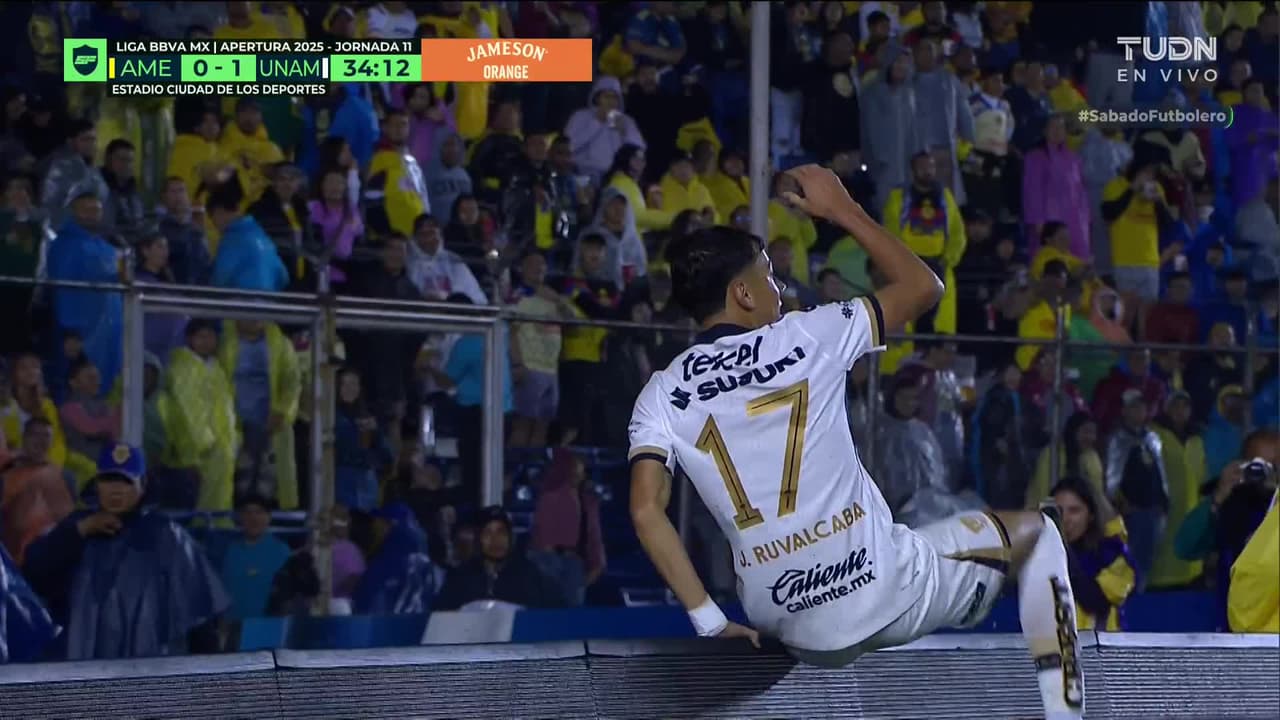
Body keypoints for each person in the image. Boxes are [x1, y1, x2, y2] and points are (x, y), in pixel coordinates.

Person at [628, 165, 1085, 720]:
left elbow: (645, 511)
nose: (780, 289)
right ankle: (1067, 714)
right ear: (742, 293)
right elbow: (925, 286)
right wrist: (842, 209)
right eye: (769, 276)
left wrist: (711, 621)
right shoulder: (809, 333)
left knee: (918, 541)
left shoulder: (662, 391)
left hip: (785, 618)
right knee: (1039, 533)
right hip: (879, 589)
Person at [23, 443, 228, 659]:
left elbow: (200, 616)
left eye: (126, 481)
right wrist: (79, 531)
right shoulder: (76, 528)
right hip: (81, 669)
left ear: (143, 484)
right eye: (108, 480)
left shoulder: (166, 535)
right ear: (97, 484)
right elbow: (35, 574)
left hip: (148, 669)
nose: (116, 489)